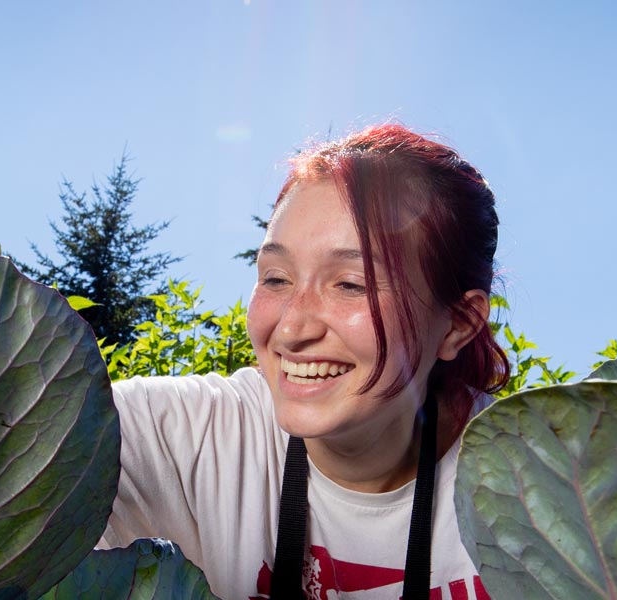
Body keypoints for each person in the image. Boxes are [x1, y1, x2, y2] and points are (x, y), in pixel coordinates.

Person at [98, 123, 506, 600]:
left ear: (458, 322)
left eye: (350, 284)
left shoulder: (534, 484)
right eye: (275, 278)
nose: (291, 330)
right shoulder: (179, 437)